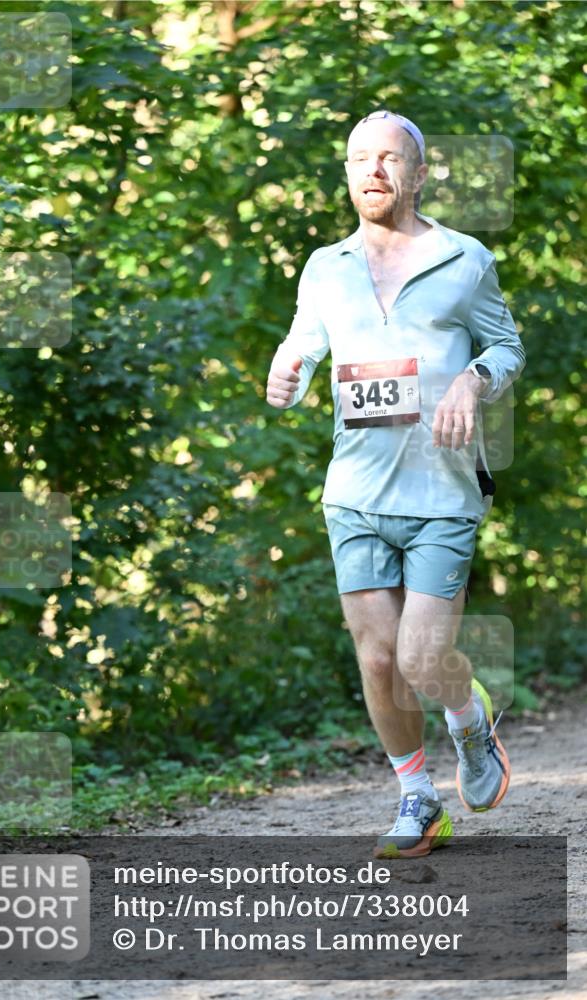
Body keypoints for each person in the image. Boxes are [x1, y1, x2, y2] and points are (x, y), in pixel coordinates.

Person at [266, 110, 525, 859]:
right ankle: (417, 798)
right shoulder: (325, 266)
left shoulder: (462, 258)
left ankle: (469, 724)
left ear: (416, 173)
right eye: (358, 159)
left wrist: (472, 383)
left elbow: (503, 345)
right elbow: (304, 342)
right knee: (376, 659)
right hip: (353, 492)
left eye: (388, 159)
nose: (372, 170)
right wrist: (287, 369)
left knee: (419, 661)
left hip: (441, 494)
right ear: (347, 173)